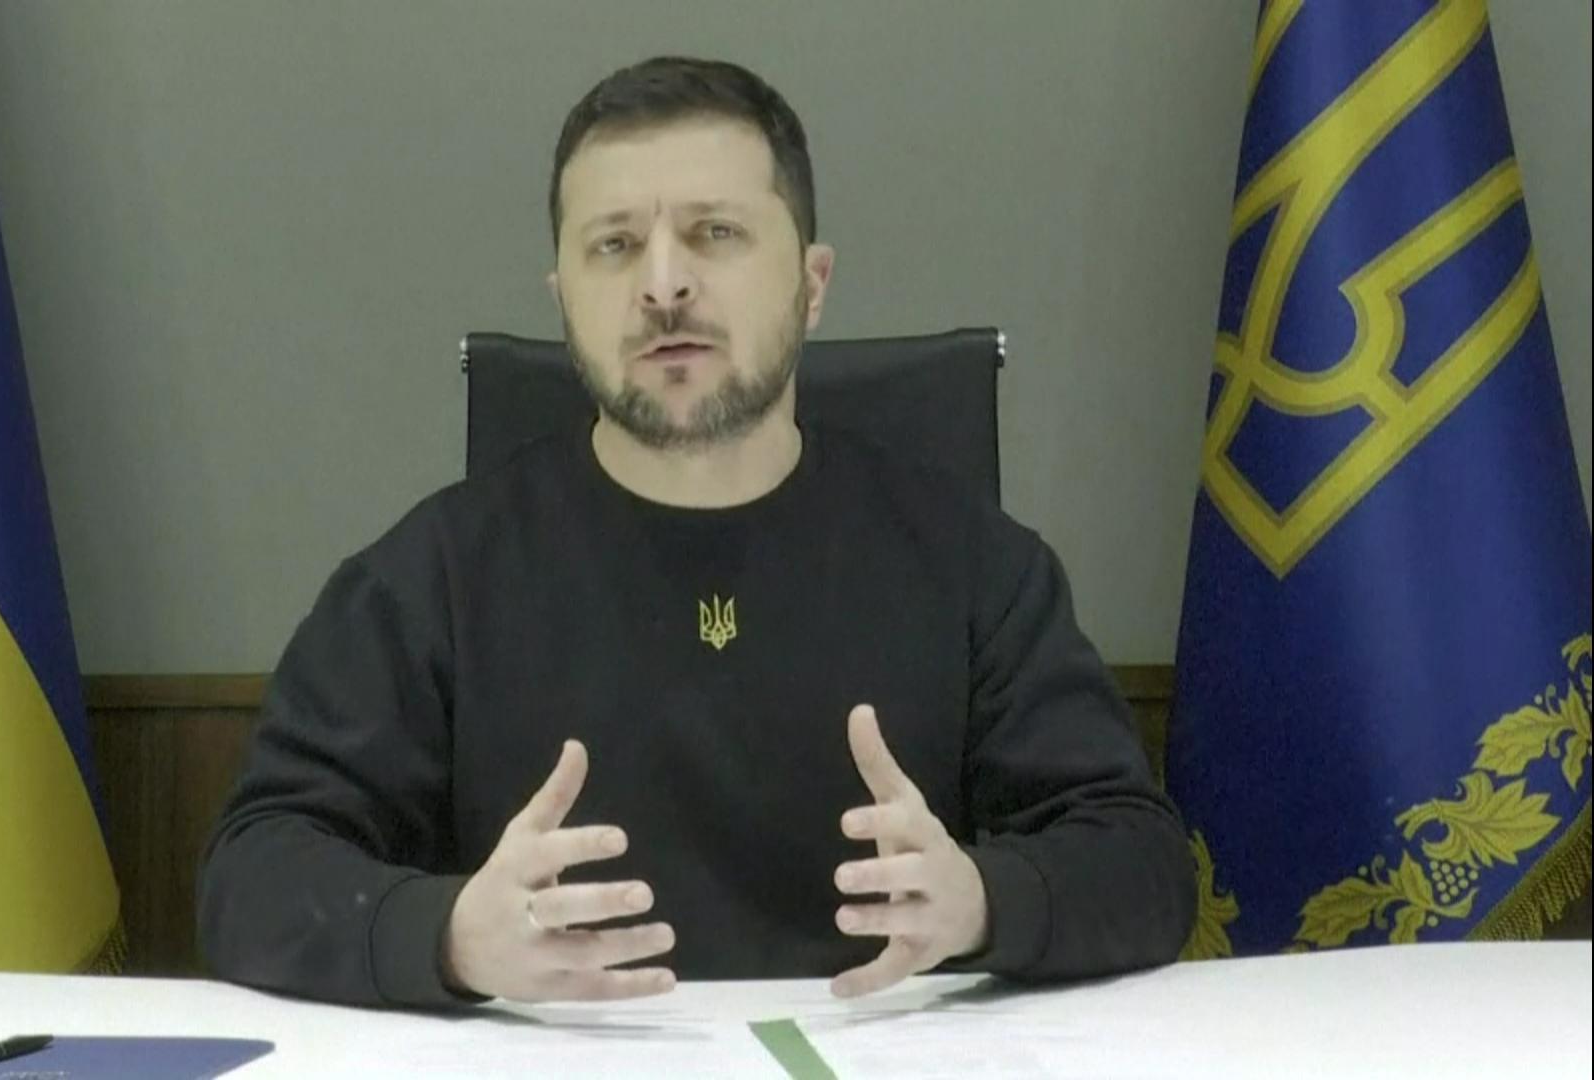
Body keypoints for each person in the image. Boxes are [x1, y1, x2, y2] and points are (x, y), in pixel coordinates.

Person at [198, 55, 1194, 1009]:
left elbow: (1142, 862)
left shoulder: (974, 564)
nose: (664, 284)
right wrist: (451, 936)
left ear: (813, 283)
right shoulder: (433, 578)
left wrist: (980, 901)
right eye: (614, 245)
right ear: (563, 298)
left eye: (715, 234)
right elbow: (253, 872)